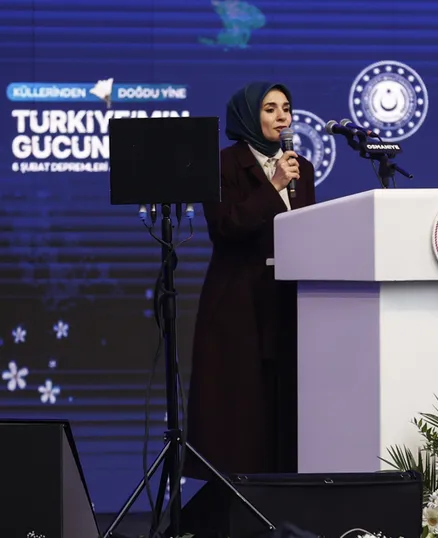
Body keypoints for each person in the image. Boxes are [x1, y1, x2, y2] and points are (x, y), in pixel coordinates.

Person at [184, 82, 316, 480]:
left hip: (286, 302)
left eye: (286, 108)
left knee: (286, 407)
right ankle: (236, 497)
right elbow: (225, 227)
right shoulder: (223, 165)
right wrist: (273, 186)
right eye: (270, 109)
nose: (282, 117)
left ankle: (287, 494)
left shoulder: (302, 168)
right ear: (248, 116)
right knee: (241, 412)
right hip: (238, 304)